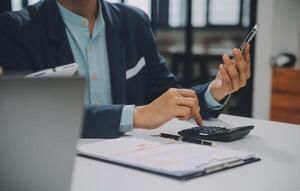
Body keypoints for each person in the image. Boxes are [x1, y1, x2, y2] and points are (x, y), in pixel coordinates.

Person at [0, 0, 251, 138]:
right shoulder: (15, 30)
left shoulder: (134, 22)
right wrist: (135, 116)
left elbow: (164, 94)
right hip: (60, 170)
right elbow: (36, 116)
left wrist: (215, 91)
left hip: (132, 166)